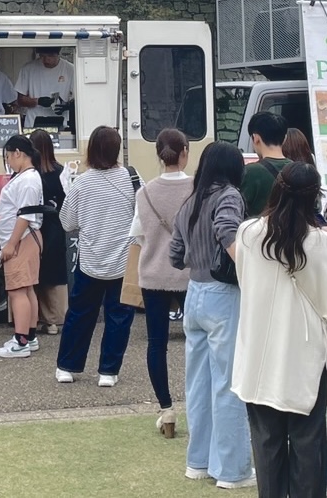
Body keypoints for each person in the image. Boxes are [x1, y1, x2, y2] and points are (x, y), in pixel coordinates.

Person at [233, 162, 327, 498]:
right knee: (308, 444)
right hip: (305, 357)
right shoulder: (320, 243)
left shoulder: (248, 234)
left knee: (266, 445)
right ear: (314, 197)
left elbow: (246, 282)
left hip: (258, 354)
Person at [169, 141, 255, 490]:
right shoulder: (229, 195)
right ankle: (233, 470)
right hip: (223, 295)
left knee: (199, 384)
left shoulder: (191, 200)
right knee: (228, 384)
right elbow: (227, 230)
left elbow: (175, 255)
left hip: (195, 293)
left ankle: (199, 462)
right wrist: (250, 267)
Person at [56, 126, 141, 387]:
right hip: (123, 260)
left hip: (90, 260)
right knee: (119, 317)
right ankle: (108, 371)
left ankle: (67, 367)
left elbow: (67, 222)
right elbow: (143, 216)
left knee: (80, 314)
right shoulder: (132, 177)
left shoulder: (82, 182)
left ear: (91, 149)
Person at [128, 129, 191, 437]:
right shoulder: (197, 189)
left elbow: (138, 235)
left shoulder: (145, 193)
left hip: (153, 274)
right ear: (185, 152)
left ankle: (166, 410)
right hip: (190, 274)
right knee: (199, 341)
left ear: (158, 155)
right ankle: (199, 404)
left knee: (157, 344)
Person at [0, 135, 43, 358]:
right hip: (24, 238)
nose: (8, 162)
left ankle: (21, 342)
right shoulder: (26, 177)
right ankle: (29, 337)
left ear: (17, 153)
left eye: (8, 157)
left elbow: (25, 215)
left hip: (22, 239)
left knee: (17, 290)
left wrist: (11, 244)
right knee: (27, 288)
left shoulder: (28, 180)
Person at [29, 129, 67, 335]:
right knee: (54, 273)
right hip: (56, 226)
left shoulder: (30, 174)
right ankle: (53, 320)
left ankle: (31, 319)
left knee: (34, 273)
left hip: (34, 227)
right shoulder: (60, 171)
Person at [241, 111, 290, 217]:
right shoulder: (300, 170)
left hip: (259, 227)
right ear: (285, 138)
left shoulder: (250, 172)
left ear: (256, 138)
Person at [15, 47, 74, 129]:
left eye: (50, 56)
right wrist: (38, 101)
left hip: (61, 123)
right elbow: (20, 100)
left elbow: (80, 99)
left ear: (58, 54)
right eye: (42, 56)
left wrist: (67, 106)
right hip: (33, 123)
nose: (46, 60)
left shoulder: (70, 69)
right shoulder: (28, 68)